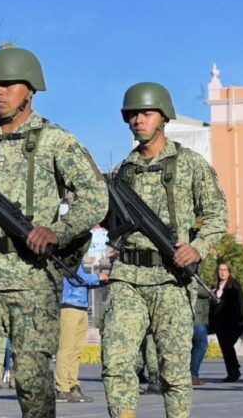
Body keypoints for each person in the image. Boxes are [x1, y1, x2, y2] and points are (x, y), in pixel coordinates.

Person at [0, 48, 108, 418]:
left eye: (8, 84)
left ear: (30, 90)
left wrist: (58, 230)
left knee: (32, 380)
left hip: (30, 275)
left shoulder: (54, 140)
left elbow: (95, 197)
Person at [100, 82, 228, 418]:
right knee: (116, 363)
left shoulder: (190, 164)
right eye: (132, 115)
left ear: (163, 117)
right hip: (127, 276)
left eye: (146, 113)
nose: (137, 120)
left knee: (174, 372)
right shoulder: (121, 173)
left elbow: (218, 215)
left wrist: (197, 248)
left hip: (171, 278)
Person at [55, 265, 103, 403]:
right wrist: (98, 277)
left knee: (77, 350)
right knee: (66, 348)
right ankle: (62, 388)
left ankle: (72, 385)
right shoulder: (69, 255)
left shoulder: (79, 257)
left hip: (81, 306)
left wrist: (100, 281)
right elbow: (76, 278)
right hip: (69, 306)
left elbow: (83, 282)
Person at [209, 262, 243, 383]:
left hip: (232, 321)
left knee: (227, 346)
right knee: (226, 347)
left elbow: (240, 303)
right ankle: (233, 370)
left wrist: (242, 319)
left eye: (225, 270)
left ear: (229, 271)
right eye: (220, 269)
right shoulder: (215, 286)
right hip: (220, 322)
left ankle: (234, 371)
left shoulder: (234, 285)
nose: (222, 272)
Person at [189, 282, 212, 386]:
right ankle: (192, 375)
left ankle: (191, 374)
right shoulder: (191, 276)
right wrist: (211, 291)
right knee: (201, 346)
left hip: (200, 317)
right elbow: (204, 291)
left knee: (196, 346)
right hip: (197, 319)